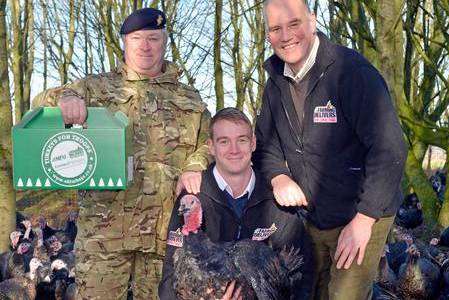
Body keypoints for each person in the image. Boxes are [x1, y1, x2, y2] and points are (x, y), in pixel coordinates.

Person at [33, 7, 211, 300]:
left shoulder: (188, 98)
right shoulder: (95, 88)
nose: (145, 46)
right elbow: (41, 104)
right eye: (137, 38)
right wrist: (65, 100)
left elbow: (211, 141)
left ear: (164, 41)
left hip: (163, 234)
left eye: (153, 38)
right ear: (124, 43)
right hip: (105, 234)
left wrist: (195, 164)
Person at [252, 0, 407, 299]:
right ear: (268, 35)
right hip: (312, 216)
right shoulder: (274, 85)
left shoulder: (351, 73)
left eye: (294, 23)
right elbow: (266, 147)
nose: (286, 35)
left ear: (312, 21)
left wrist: (364, 219)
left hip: (362, 211)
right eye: (275, 28)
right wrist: (278, 177)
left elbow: (389, 149)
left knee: (344, 295)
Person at [158, 108, 313, 299]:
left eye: (242, 140)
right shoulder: (193, 199)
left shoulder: (278, 200)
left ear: (253, 143)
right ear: (211, 147)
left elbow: (302, 275)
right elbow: (170, 277)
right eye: (224, 141)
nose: (234, 149)